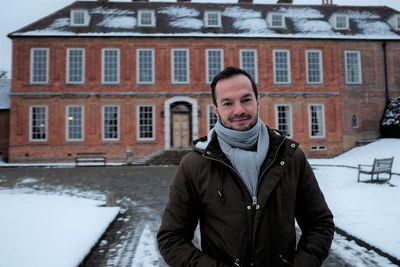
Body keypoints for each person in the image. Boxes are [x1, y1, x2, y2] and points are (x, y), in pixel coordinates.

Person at [157, 66, 334, 267]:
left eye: (246, 99)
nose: (239, 110)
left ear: (258, 102)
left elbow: (320, 223)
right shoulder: (194, 165)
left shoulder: (291, 157)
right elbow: (171, 239)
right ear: (216, 110)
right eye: (228, 103)